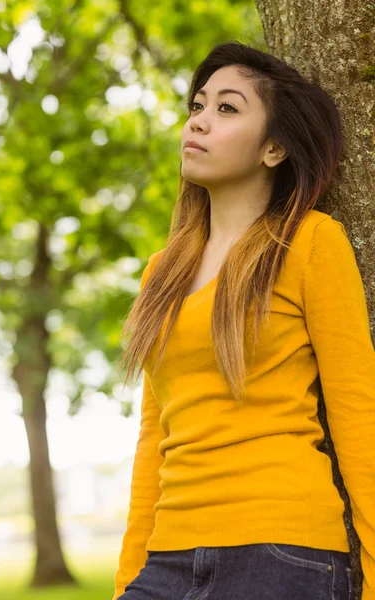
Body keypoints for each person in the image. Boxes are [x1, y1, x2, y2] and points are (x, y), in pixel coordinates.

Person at [112, 40, 374, 600]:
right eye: (198, 106)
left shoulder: (310, 244)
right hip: (169, 556)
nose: (200, 122)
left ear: (274, 147)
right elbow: (155, 440)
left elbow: (360, 420)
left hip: (283, 552)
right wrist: (128, 577)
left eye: (227, 109)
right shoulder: (162, 272)